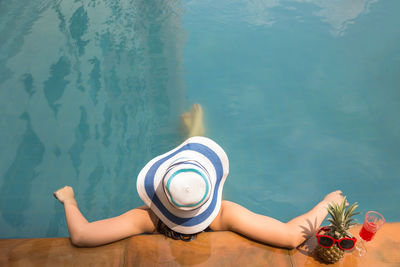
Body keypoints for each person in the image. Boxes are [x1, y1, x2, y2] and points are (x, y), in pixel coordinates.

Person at [54, 104, 346, 248]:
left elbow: (82, 236)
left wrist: (69, 200)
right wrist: (329, 202)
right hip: (209, 207)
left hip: (162, 211)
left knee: (187, 174)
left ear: (159, 190)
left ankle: (193, 134)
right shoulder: (223, 215)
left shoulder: (147, 218)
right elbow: (291, 236)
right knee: (190, 174)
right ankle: (194, 133)